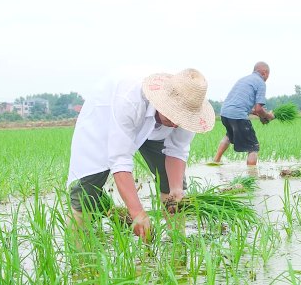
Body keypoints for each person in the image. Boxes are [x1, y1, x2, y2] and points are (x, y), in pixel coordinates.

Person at [67, 68, 216, 241]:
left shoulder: (188, 111)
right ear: (162, 102)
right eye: (173, 115)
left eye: (180, 118)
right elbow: (120, 159)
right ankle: (76, 249)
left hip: (152, 125)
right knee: (88, 187)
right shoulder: (129, 101)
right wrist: (137, 212)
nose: (176, 124)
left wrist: (176, 192)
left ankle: (177, 243)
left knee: (175, 188)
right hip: (108, 117)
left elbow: (177, 150)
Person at [212, 61, 274, 165]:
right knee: (253, 147)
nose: (267, 78)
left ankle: (216, 161)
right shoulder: (260, 82)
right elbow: (259, 109)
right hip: (237, 115)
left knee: (229, 136)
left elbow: (247, 107)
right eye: (268, 75)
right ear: (264, 72)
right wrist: (268, 116)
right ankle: (251, 176)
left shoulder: (244, 79)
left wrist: (260, 115)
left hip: (225, 113)